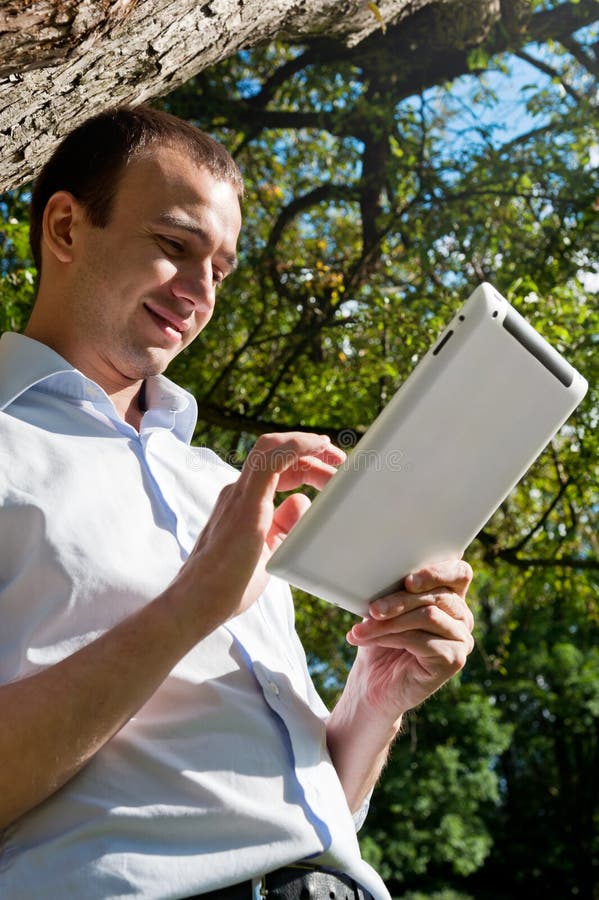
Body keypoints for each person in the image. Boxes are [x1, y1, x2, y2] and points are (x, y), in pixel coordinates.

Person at [0, 105, 475, 899]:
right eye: (175, 247)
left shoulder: (221, 485)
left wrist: (378, 695)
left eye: (219, 269)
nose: (198, 292)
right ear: (65, 227)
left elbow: (312, 810)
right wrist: (193, 605)